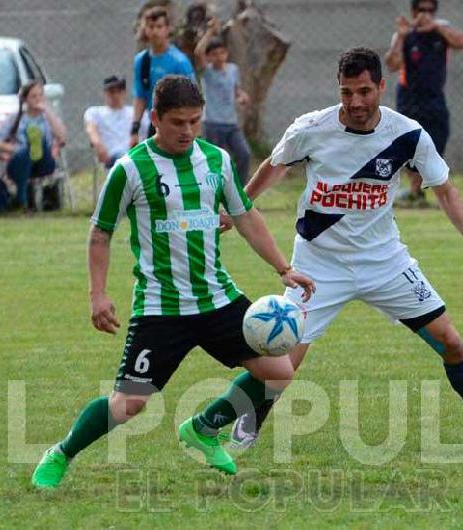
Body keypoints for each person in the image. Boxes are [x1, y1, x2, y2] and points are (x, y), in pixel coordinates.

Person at [228, 48, 463, 449]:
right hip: (319, 265)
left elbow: (443, 188)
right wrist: (239, 207)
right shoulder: (312, 128)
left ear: (381, 87)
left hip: (384, 261)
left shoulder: (406, 134)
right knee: (281, 360)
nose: (355, 102)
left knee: (452, 343)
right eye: (347, 92)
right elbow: (276, 164)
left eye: (364, 91)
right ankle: (245, 422)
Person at [30, 75, 315, 489]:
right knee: (128, 405)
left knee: (278, 372)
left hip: (217, 299)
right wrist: (98, 294)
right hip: (160, 308)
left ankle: (203, 428)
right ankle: (61, 452)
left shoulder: (216, 160)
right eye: (178, 122)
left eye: (194, 121)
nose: (187, 131)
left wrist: (282, 267)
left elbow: (246, 216)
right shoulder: (130, 170)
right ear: (155, 118)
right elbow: (100, 234)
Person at [385, 0, 463, 206]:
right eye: (422, 10)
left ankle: (425, 190)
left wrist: (437, 26)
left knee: (437, 140)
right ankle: (415, 191)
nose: (426, 14)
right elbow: (392, 64)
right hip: (409, 98)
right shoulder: (405, 35)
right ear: (414, 11)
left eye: (430, 10)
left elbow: (461, 42)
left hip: (434, 97)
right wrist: (401, 36)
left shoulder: (441, 32)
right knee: (409, 144)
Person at [0, 81, 68, 211]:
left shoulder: (48, 118)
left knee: (42, 144)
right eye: (34, 96)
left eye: (41, 95)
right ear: (25, 99)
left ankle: (22, 200)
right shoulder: (15, 118)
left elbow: (63, 138)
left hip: (44, 163)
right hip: (19, 163)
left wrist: (47, 111)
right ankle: (30, 149)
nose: (38, 99)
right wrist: (16, 149)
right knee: (25, 153)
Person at [193, 20, 253, 184]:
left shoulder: (233, 70)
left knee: (244, 154)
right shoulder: (208, 72)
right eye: (214, 54)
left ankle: (241, 193)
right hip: (212, 123)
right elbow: (198, 52)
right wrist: (209, 33)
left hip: (231, 123)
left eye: (221, 52)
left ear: (226, 53)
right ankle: (213, 193)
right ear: (209, 56)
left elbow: (235, 90)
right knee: (214, 162)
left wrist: (241, 97)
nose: (218, 57)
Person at [130, 6, 196, 146]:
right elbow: (140, 95)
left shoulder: (179, 62)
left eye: (159, 27)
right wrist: (134, 128)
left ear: (167, 29)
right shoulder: (141, 61)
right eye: (150, 27)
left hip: (177, 126)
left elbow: (192, 99)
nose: (154, 32)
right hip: (155, 124)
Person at [84, 76, 137, 169]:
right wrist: (98, 145)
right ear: (105, 93)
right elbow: (91, 130)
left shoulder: (135, 113)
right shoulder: (95, 112)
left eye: (119, 91)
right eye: (112, 91)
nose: (116, 95)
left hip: (134, 154)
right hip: (111, 156)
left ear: (124, 93)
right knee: (124, 158)